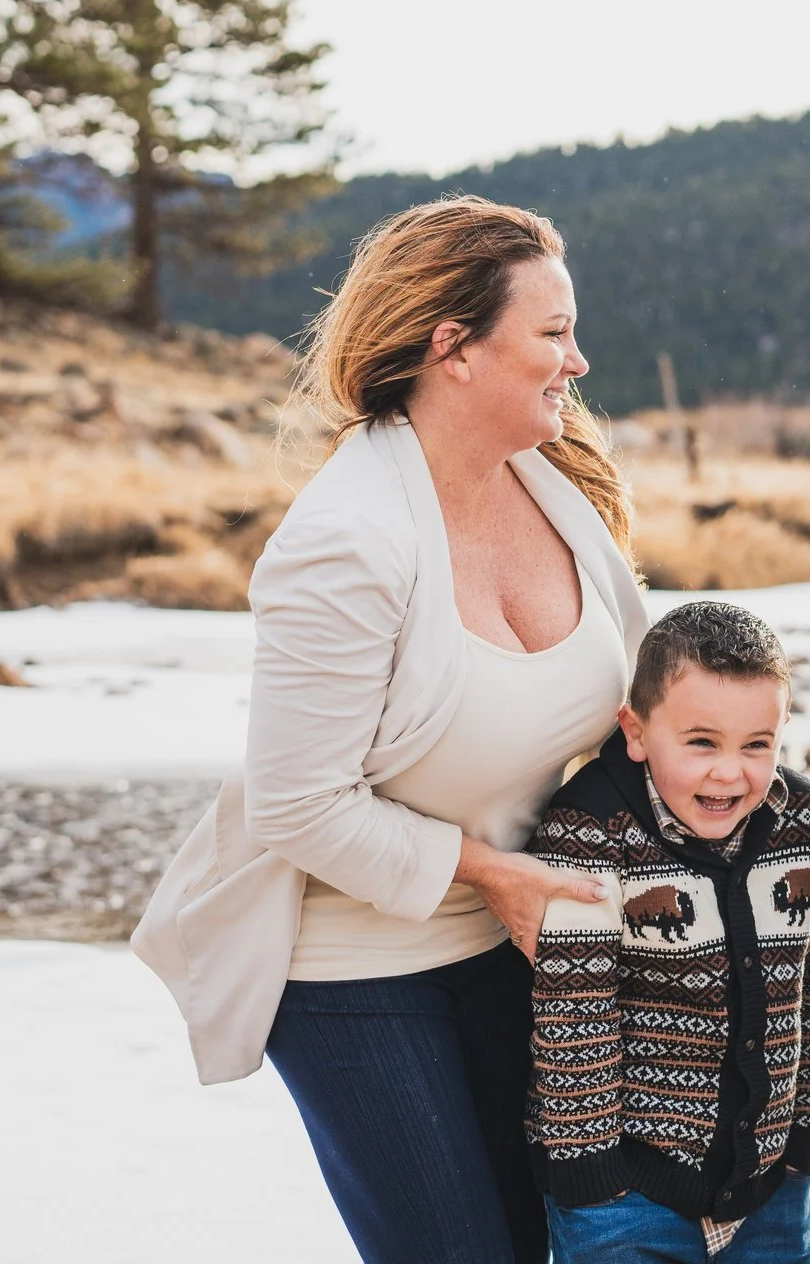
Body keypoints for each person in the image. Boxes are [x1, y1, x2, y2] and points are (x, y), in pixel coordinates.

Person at [132, 197, 648, 1264]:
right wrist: (496, 876)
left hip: (513, 943)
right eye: (552, 334)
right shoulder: (345, 539)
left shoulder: (557, 491)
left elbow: (633, 718)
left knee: (537, 1242)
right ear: (451, 347)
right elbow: (296, 804)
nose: (578, 361)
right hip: (352, 965)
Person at [524, 600, 810, 1263]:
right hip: (627, 1194)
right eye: (701, 742)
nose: (730, 772)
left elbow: (806, 991)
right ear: (636, 731)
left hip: (767, 1188)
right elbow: (574, 1016)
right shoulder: (592, 828)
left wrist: (803, 1136)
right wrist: (591, 1181)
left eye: (757, 744)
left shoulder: (800, 818)